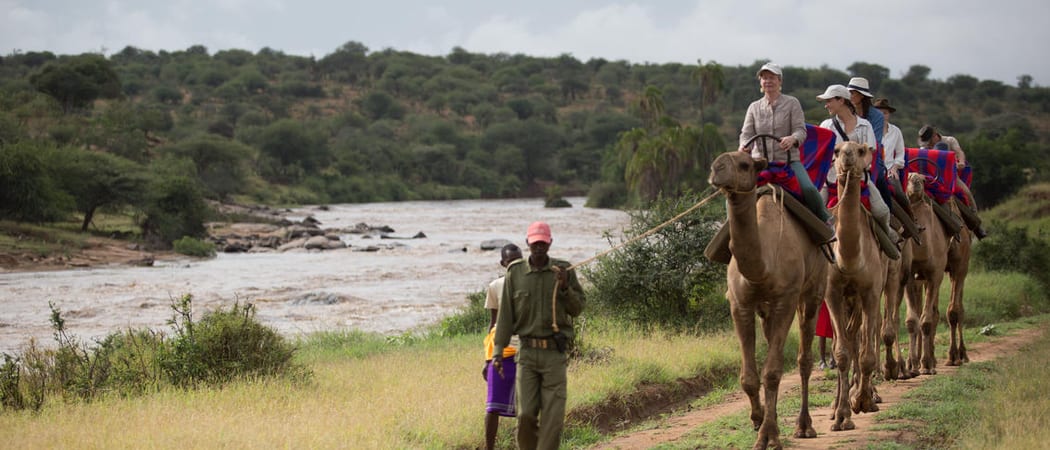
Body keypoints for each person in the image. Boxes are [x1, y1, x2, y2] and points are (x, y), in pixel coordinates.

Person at [492, 221, 585, 450]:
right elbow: (505, 316)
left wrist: (565, 287)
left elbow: (578, 308)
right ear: (528, 244)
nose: (539, 247)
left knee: (552, 419)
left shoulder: (564, 271)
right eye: (535, 243)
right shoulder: (516, 272)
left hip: (554, 354)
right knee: (525, 415)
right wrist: (497, 351)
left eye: (543, 243)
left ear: (550, 243)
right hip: (527, 355)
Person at [739, 62, 831, 223]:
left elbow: (800, 131)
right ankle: (732, 231)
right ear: (760, 82)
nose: (768, 81)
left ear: (780, 81)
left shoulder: (792, 103)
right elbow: (746, 134)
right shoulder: (753, 107)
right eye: (764, 78)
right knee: (735, 193)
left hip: (788, 162)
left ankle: (825, 223)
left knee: (809, 190)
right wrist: (744, 146)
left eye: (772, 77)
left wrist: (793, 138)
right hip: (759, 164)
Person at [816, 84, 897, 253]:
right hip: (832, 179)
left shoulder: (864, 125)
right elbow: (822, 153)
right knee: (815, 211)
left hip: (859, 179)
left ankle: (887, 236)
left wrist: (860, 166)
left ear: (841, 101)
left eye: (829, 101)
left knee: (881, 211)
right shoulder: (826, 125)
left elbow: (869, 153)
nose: (826, 105)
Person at [482, 243, 523, 450]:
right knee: (492, 406)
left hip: (525, 352)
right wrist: (486, 360)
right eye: (511, 262)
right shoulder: (495, 286)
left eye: (519, 260)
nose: (516, 265)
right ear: (503, 264)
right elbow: (492, 324)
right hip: (500, 353)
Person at [918, 125, 988, 239]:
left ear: (935, 136)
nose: (929, 145)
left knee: (966, 193)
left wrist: (961, 162)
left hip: (951, 173)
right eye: (926, 143)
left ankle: (976, 224)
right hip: (934, 176)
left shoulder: (949, 140)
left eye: (930, 141)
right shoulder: (924, 148)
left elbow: (959, 151)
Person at [874, 98, 924, 244]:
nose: (882, 115)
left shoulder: (896, 132)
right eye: (879, 113)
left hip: (889, 169)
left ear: (889, 114)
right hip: (872, 169)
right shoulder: (868, 128)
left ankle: (912, 221)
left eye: (885, 113)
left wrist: (895, 167)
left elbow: (901, 154)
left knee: (899, 193)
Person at [815, 300, 835, 369]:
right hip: (823, 300)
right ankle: (822, 360)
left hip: (835, 298)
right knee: (822, 331)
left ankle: (833, 359)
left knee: (835, 329)